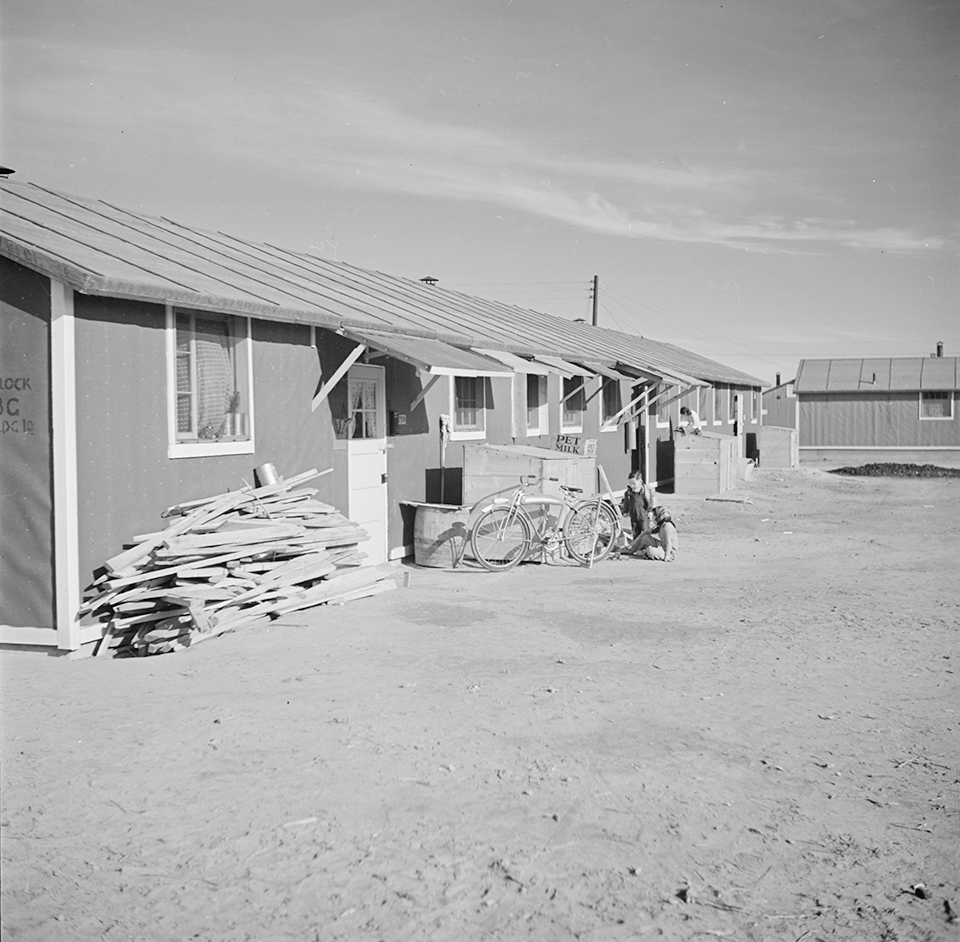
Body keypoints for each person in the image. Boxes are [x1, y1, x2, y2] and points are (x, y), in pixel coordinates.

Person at [619, 471, 656, 539]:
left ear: (640, 482)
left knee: (645, 531)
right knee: (635, 532)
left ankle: (647, 545)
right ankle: (637, 546)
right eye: (630, 483)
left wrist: (650, 511)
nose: (632, 485)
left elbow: (650, 501)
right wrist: (625, 511)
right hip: (634, 516)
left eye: (633, 483)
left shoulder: (645, 492)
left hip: (644, 515)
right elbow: (626, 502)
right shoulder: (628, 493)